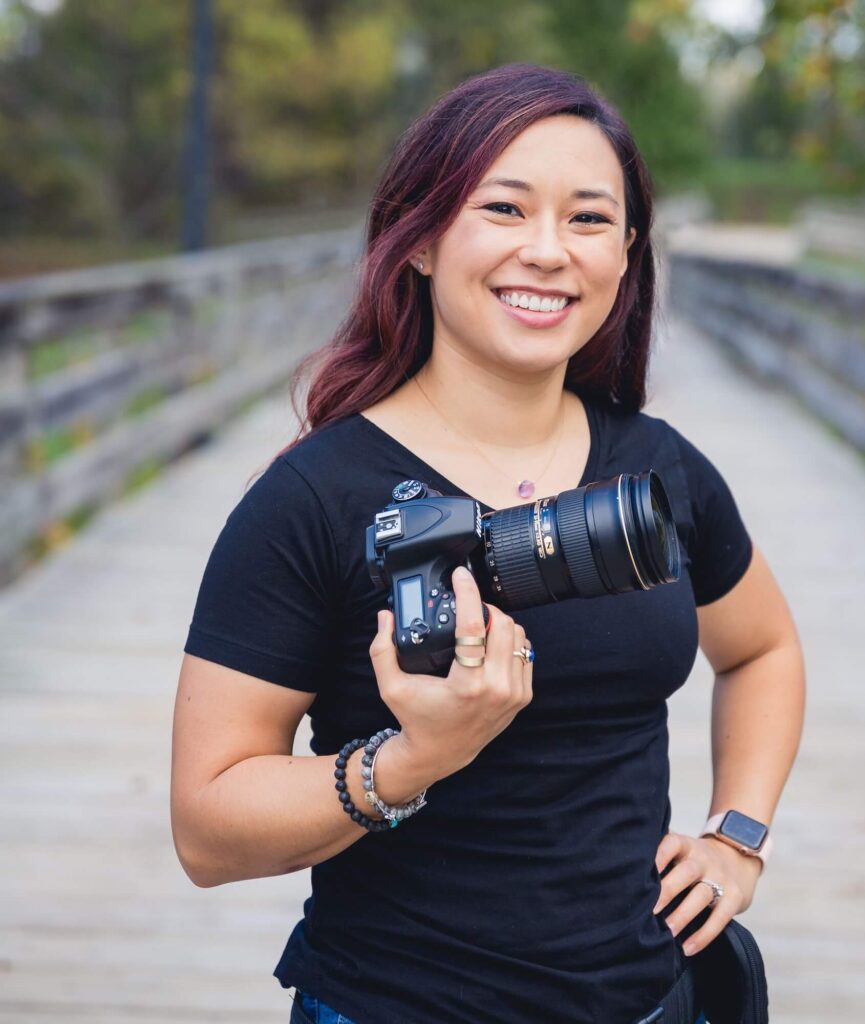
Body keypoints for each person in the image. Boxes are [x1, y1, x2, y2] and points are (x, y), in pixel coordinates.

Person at [171, 62, 805, 1024]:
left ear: (627, 256)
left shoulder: (657, 469)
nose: (548, 251)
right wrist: (410, 761)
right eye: (504, 210)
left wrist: (738, 835)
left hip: (650, 999)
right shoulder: (312, 499)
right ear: (419, 239)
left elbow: (763, 648)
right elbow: (206, 833)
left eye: (589, 220)